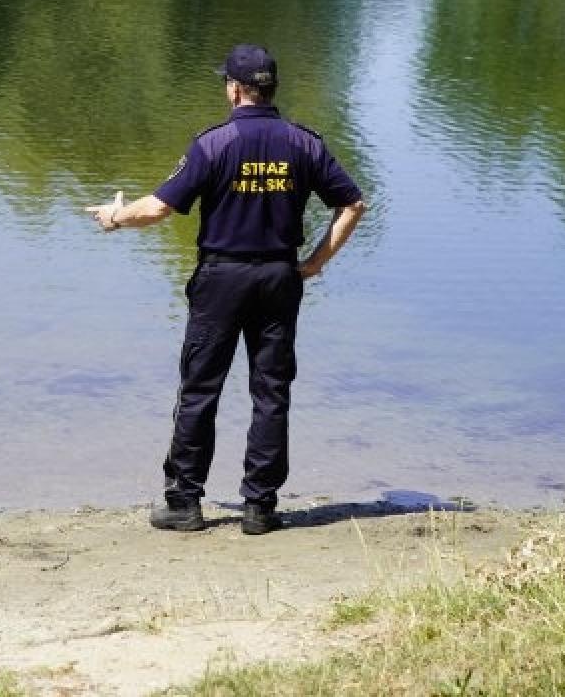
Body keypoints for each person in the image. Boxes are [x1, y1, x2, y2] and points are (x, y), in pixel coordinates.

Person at [85, 44, 366, 534]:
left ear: (235, 90)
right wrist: (315, 263)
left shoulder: (214, 144)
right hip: (279, 278)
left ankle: (184, 503)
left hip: (222, 279)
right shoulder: (304, 144)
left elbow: (158, 208)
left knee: (200, 388)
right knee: (271, 392)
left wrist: (115, 217)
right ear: (270, 89)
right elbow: (353, 205)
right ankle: (260, 508)